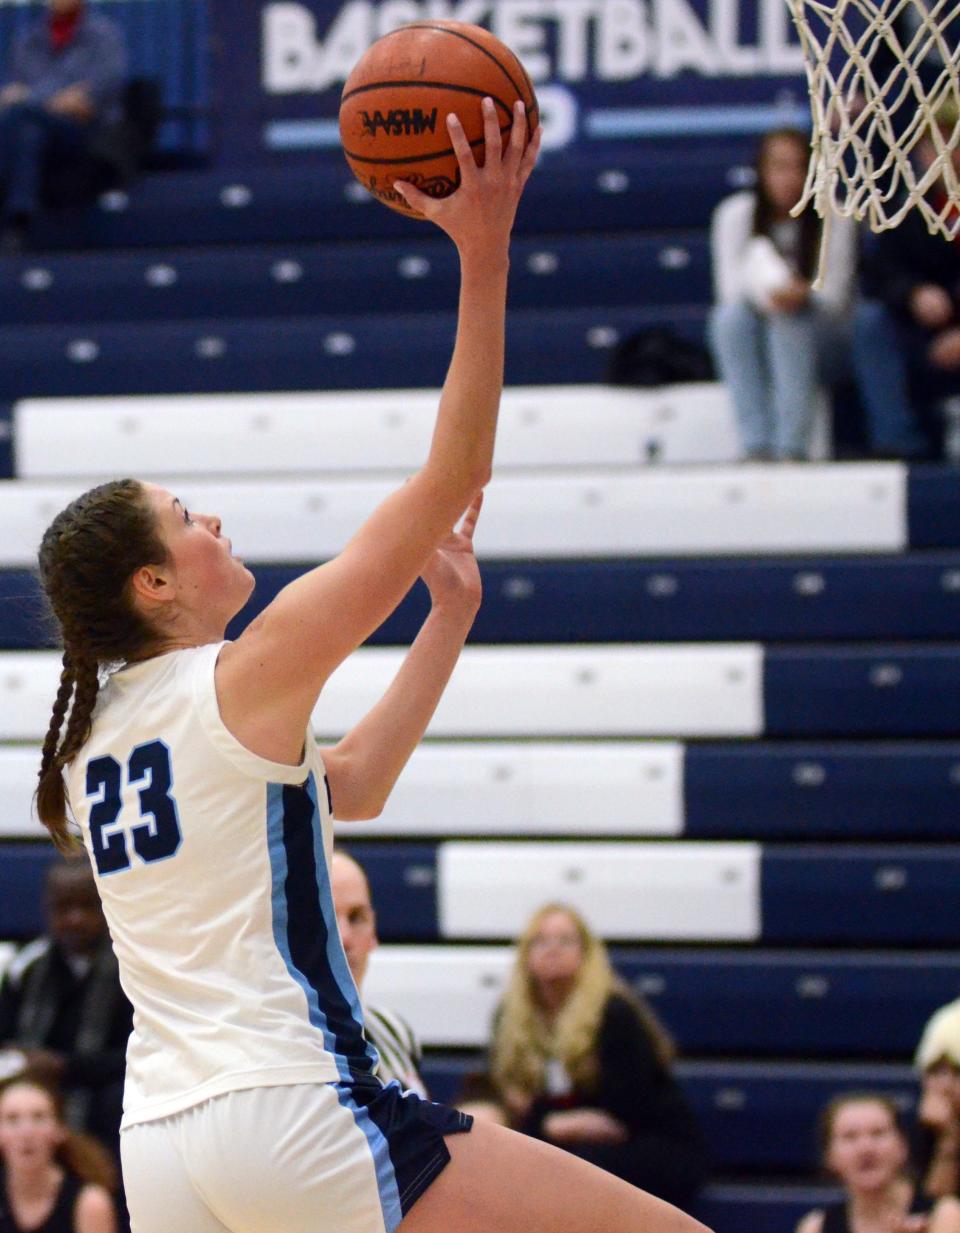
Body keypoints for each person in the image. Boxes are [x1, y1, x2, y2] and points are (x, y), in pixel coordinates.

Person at [31, 100, 708, 1233]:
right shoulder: (241, 674)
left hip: (163, 1142)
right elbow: (456, 470)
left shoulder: (103, 735)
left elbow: (349, 791)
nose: (215, 523)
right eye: (187, 518)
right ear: (153, 585)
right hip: (289, 1106)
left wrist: (446, 621)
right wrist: (483, 250)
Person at [489, 903, 708, 1211]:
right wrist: (555, 1123)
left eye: (565, 941)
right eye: (540, 941)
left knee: (573, 1168)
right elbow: (512, 1100)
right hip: (570, 1146)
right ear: (525, 955)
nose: (552, 949)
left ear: (586, 954)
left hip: (651, 1144)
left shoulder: (613, 1013)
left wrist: (547, 1119)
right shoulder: (509, 1019)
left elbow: (623, 1115)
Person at [708, 127, 857, 460]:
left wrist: (802, 295)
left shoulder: (834, 214)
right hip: (761, 328)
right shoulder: (736, 215)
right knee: (730, 320)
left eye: (799, 166)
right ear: (761, 171)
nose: (789, 177)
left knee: (789, 324)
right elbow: (729, 293)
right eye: (779, 167)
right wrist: (771, 294)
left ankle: (792, 446)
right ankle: (755, 442)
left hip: (825, 337)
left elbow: (836, 297)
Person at [0, 859, 132, 1159]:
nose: (75, 919)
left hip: (106, 1099)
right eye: (63, 908)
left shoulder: (131, 968)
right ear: (48, 909)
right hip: (33, 1090)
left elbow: (140, 1054)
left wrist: (66, 1067)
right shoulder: (27, 968)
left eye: (87, 906)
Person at [852, 105, 960, 461]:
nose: (946, 155)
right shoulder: (904, 208)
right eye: (935, 144)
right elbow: (879, 272)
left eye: (954, 142)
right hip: (922, 332)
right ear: (921, 153)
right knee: (869, 323)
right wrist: (913, 293)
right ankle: (898, 443)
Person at [0, 0, 128, 251]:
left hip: (84, 134)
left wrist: (31, 99)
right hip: (34, 130)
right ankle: (19, 217)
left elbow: (87, 102)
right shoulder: (28, 39)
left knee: (21, 115)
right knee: (28, 133)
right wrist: (52, 100)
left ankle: (15, 215)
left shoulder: (105, 36)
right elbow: (9, 94)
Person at [331, 850, 428, 1097]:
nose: (344, 937)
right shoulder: (274, 1044)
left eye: (356, 918)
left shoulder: (393, 1029)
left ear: (373, 934)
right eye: (326, 918)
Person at [796, 1092, 960, 1233]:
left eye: (878, 1133)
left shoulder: (944, 1216)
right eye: (850, 1137)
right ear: (829, 1156)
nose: (866, 1148)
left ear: (902, 1147)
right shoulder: (816, 1227)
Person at [0, 1073, 117, 1233]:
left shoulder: (89, 1202)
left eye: (39, 1117)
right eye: (12, 1119)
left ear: (60, 1129)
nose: (26, 1132)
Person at [913, 998, 960, 1198]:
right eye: (936, 1072)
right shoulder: (928, 1133)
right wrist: (949, 1138)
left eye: (957, 1072)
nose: (946, 1086)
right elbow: (938, 1213)